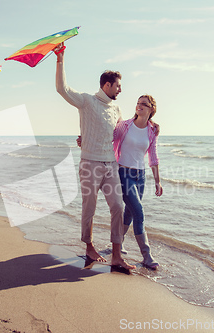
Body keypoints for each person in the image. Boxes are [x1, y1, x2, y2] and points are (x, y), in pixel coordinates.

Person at [54, 43, 135, 270]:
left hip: (111, 165)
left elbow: (122, 133)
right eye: (118, 86)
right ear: (107, 85)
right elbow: (62, 89)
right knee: (89, 206)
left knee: (117, 206)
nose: (120, 90)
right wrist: (60, 60)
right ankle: (89, 246)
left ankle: (117, 254)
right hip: (90, 163)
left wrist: (150, 123)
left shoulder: (116, 110)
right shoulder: (87, 101)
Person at [113, 95, 163, 269]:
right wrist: (86, 140)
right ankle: (147, 255)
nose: (139, 106)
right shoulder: (124, 126)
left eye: (144, 104)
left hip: (140, 176)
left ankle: (119, 244)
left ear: (151, 109)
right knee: (139, 212)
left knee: (130, 212)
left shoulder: (152, 131)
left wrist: (158, 181)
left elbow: (153, 157)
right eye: (138, 103)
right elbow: (107, 138)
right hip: (123, 173)